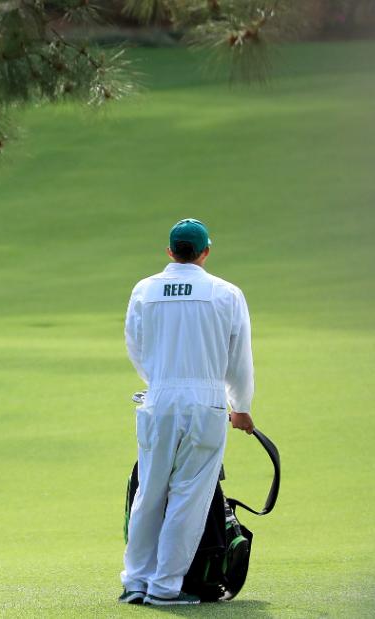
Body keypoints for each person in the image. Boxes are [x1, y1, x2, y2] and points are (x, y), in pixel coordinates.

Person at [119, 219, 255, 606]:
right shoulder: (226, 293)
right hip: (205, 403)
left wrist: (162, 380)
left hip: (158, 399)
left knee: (150, 492)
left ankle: (136, 582)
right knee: (188, 497)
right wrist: (241, 406)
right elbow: (238, 357)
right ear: (205, 252)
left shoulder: (144, 290)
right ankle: (165, 587)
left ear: (169, 252)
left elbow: (136, 345)